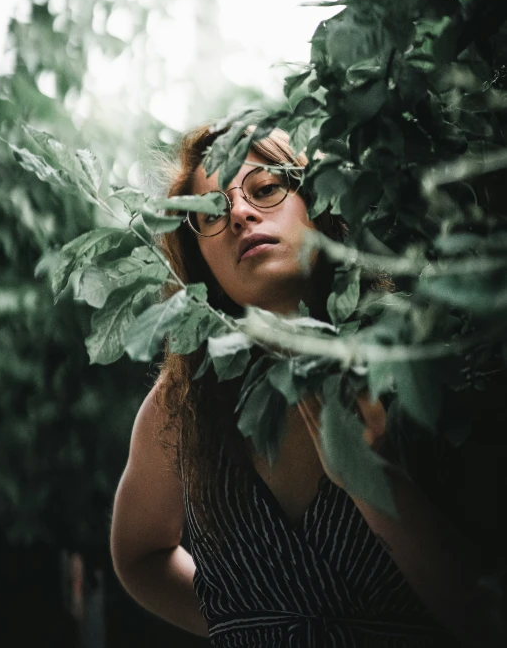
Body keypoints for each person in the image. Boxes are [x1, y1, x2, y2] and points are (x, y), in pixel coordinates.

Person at [110, 124, 502, 647]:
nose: (241, 214)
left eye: (266, 189)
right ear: (197, 254)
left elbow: (488, 616)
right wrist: (243, 624)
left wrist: (370, 481)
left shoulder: (417, 356)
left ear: (316, 203)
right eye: (210, 210)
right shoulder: (184, 400)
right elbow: (138, 555)